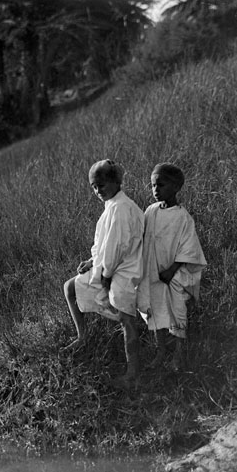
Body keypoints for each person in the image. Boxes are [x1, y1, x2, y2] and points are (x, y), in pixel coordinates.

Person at [63, 159, 144, 388]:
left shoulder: (121, 207)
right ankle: (82, 336)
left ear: (116, 180)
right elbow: (105, 243)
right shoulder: (112, 205)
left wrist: (105, 275)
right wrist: (91, 261)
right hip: (112, 265)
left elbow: (117, 247)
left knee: (126, 319)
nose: (98, 190)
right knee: (70, 287)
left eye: (102, 184)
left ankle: (132, 373)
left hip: (125, 269)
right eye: (94, 186)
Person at [137, 163, 206, 371]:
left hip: (174, 275)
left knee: (177, 311)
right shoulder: (151, 211)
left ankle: (178, 354)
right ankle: (160, 351)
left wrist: (172, 270)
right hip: (153, 272)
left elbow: (189, 247)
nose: (155, 190)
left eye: (161, 185)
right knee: (156, 310)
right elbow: (141, 235)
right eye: (152, 185)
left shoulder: (183, 217)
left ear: (175, 187)